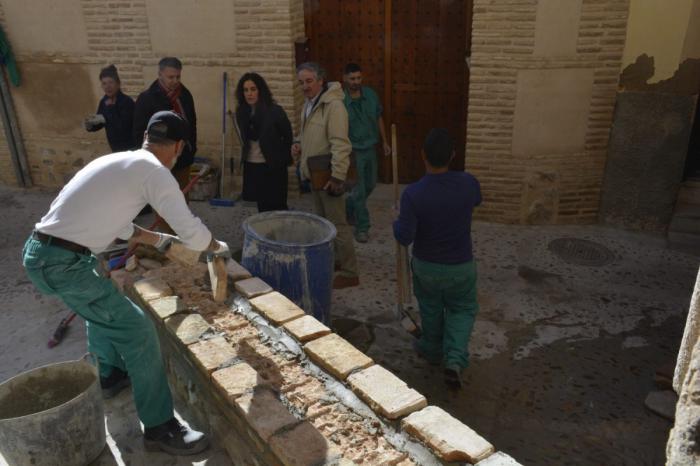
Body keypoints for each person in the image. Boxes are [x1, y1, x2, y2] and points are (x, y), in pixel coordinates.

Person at [22, 111, 230, 455]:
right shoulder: (156, 173)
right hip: (61, 263)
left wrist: (158, 240)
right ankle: (161, 428)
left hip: (47, 253)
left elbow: (119, 226)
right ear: (178, 146)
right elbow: (191, 232)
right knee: (139, 331)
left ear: (147, 136)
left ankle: (111, 374)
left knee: (104, 303)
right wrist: (214, 247)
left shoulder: (120, 162)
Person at [393, 128, 482, 389]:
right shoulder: (468, 183)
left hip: (427, 266)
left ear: (423, 156)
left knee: (430, 308)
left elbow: (404, 236)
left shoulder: (413, 194)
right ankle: (454, 359)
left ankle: (431, 351)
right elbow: (476, 201)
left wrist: (396, 220)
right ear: (453, 155)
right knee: (462, 309)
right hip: (460, 266)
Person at [293, 62, 359, 289]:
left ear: (321, 80)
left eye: (309, 81)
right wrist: (298, 144)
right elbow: (307, 133)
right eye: (301, 82)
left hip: (329, 176)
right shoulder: (310, 104)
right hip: (315, 174)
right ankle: (337, 259)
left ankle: (351, 272)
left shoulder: (334, 107)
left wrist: (338, 177)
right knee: (324, 223)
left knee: (338, 224)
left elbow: (341, 144)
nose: (305, 86)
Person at [133, 57, 197, 216]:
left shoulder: (185, 94)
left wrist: (191, 148)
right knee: (162, 203)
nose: (175, 81)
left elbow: (192, 123)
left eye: (178, 77)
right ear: (160, 74)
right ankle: (165, 238)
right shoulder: (147, 99)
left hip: (182, 158)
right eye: (171, 77)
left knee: (181, 200)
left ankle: (183, 235)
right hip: (158, 161)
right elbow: (139, 131)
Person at [342, 63, 391, 243]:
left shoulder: (370, 95)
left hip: (370, 148)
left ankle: (348, 207)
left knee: (370, 185)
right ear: (345, 79)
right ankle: (362, 227)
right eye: (352, 78)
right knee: (360, 190)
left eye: (359, 78)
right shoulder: (340, 101)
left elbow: (379, 117)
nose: (356, 82)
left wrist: (385, 141)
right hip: (353, 151)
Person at [234, 72, 293, 212]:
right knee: (262, 206)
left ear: (261, 90)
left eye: (253, 89)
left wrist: (283, 158)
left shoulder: (275, 111)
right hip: (253, 165)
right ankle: (264, 233)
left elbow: (287, 136)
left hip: (272, 166)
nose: (249, 94)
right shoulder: (242, 112)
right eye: (246, 90)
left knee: (277, 205)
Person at [84, 64, 135, 152]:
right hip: (115, 149)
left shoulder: (127, 102)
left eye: (111, 82)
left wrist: (111, 108)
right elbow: (101, 122)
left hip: (131, 149)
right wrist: (90, 125)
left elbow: (122, 128)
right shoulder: (104, 102)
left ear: (118, 84)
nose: (108, 86)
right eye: (104, 83)